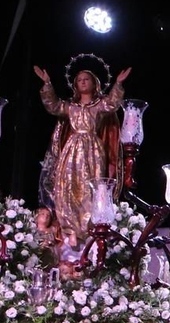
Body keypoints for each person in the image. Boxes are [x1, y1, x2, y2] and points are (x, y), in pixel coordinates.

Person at [34, 55, 130, 241]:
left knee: (90, 186)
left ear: (94, 83)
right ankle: (70, 229)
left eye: (86, 79)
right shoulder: (70, 107)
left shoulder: (98, 106)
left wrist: (118, 83)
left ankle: (89, 228)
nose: (83, 82)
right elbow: (53, 106)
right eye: (79, 80)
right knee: (68, 186)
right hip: (72, 149)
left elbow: (112, 103)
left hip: (93, 150)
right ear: (75, 85)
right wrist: (47, 83)